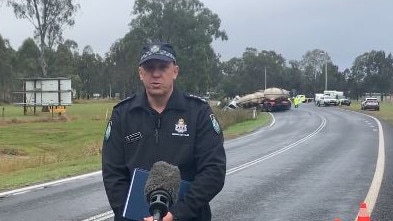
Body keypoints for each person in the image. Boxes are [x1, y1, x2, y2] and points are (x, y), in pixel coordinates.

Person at [102, 42, 227, 221]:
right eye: (149, 67)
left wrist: (179, 213)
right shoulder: (123, 114)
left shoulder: (198, 112)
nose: (156, 74)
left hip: (188, 216)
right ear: (140, 73)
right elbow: (113, 173)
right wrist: (130, 214)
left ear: (175, 71)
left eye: (163, 67)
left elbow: (213, 171)